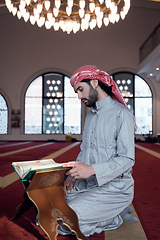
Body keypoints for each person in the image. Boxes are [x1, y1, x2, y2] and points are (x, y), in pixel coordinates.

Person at [59, 65, 137, 237]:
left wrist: (92, 169)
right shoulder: (91, 116)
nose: (79, 96)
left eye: (80, 89)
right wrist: (72, 177)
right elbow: (84, 152)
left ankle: (114, 217)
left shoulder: (121, 114)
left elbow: (127, 159)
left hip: (114, 188)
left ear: (94, 82)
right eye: (76, 92)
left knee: (65, 222)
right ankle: (108, 212)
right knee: (51, 207)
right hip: (88, 184)